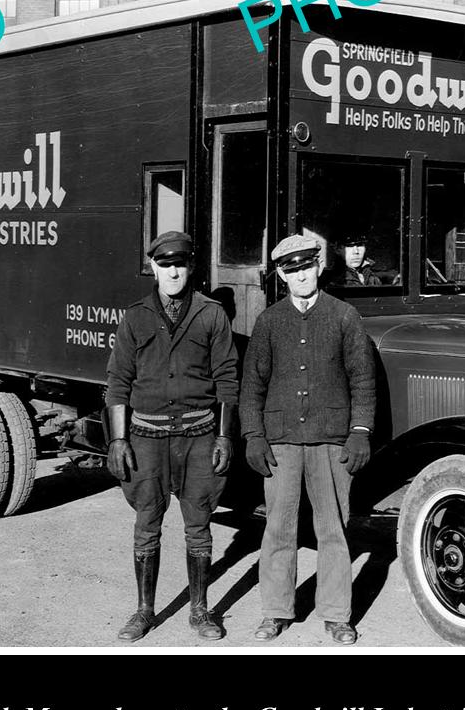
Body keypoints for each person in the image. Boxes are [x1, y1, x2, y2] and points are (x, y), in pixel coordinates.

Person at [240, 234, 376, 645]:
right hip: (281, 438)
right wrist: (254, 436)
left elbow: (363, 380)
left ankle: (336, 614)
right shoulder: (269, 321)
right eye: (291, 270)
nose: (300, 276)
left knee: (332, 528)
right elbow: (252, 385)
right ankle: (275, 611)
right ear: (281, 276)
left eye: (306, 267)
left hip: (331, 439)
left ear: (319, 267)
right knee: (278, 527)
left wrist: (359, 432)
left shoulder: (344, 316)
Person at [105, 231, 239, 642]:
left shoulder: (211, 314)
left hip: (199, 437)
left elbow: (227, 379)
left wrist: (223, 437)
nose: (173, 272)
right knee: (147, 523)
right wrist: (117, 440)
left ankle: (200, 610)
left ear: (191, 267)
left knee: (198, 524)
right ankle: (145, 610)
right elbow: (117, 382)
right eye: (165, 265)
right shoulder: (135, 317)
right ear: (154, 268)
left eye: (180, 264)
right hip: (147, 439)